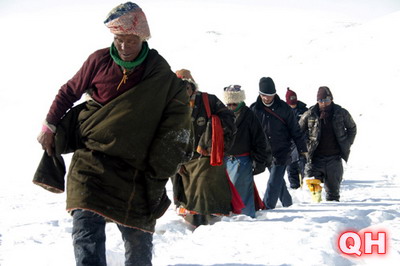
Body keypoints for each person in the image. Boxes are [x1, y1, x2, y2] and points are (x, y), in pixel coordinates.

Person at [35, 3, 193, 265]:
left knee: (138, 240)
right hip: (91, 160)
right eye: (119, 39)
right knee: (85, 228)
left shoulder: (159, 72)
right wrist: (49, 125)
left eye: (130, 40)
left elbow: (175, 121)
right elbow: (69, 91)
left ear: (143, 38)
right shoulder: (98, 60)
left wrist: (158, 167)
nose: (123, 46)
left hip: (135, 168)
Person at [173, 69, 237, 228]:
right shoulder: (170, 105)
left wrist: (211, 131)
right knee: (186, 192)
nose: (183, 91)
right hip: (182, 156)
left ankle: (207, 224)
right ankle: (194, 222)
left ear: (192, 87)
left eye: (186, 87)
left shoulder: (209, 100)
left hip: (207, 156)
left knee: (203, 186)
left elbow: (229, 119)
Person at [250, 77, 307, 209]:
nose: (266, 98)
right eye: (263, 95)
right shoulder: (254, 109)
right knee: (278, 181)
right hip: (264, 152)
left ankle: (267, 207)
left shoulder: (284, 108)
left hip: (282, 150)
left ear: (274, 94)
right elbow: (249, 132)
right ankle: (288, 204)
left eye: (269, 95)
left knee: (273, 181)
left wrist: (302, 149)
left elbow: (295, 130)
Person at [299, 86, 357, 201]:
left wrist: (347, 143)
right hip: (315, 159)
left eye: (326, 100)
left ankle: (335, 217)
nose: (323, 103)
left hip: (334, 159)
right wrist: (306, 145)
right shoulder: (310, 114)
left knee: (333, 194)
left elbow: (352, 128)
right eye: (321, 101)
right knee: (315, 194)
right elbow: (298, 131)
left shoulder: (341, 113)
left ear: (331, 100)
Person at [223, 85, 272, 218]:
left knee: (241, 191)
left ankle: (246, 218)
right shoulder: (224, 114)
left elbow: (259, 139)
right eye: (229, 104)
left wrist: (259, 161)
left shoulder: (249, 115)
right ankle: (232, 217)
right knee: (229, 191)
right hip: (226, 160)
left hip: (243, 160)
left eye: (234, 104)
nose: (231, 106)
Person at [285, 88, 308, 189]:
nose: (293, 105)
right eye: (291, 103)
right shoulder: (283, 111)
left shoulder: (304, 111)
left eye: (294, 102)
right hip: (289, 145)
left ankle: (306, 188)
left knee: (304, 166)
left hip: (302, 143)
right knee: (291, 167)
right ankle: (294, 188)